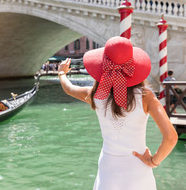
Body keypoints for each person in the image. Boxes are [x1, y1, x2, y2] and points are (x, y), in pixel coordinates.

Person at [58, 36, 177, 189]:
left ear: (102, 67)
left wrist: (62, 73)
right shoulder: (146, 97)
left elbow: (68, 89)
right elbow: (171, 138)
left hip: (108, 171)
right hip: (138, 171)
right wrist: (153, 161)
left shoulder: (96, 95)